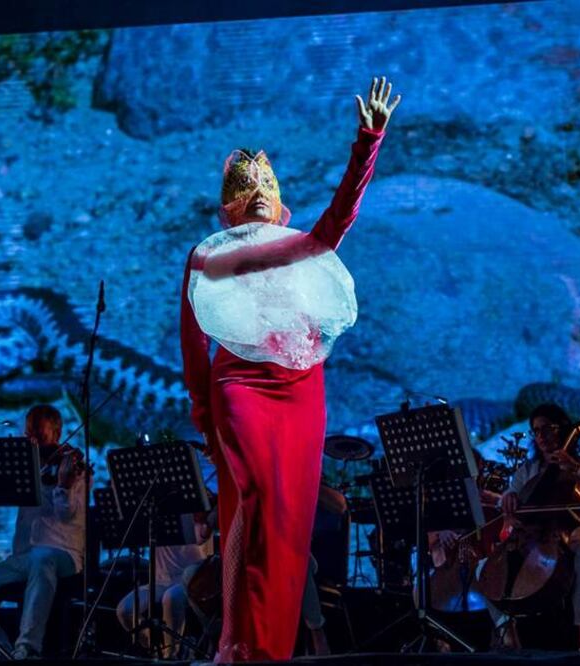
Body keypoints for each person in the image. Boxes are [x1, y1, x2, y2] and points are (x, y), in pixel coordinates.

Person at [180, 77, 400, 661]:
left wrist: (369, 138)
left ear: (277, 201)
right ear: (229, 206)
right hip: (240, 390)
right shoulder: (211, 256)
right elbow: (192, 341)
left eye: (265, 190)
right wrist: (205, 414)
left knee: (286, 523)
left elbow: (343, 212)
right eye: (245, 191)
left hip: (301, 394)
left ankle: (268, 647)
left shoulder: (302, 248)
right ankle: (236, 643)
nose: (257, 197)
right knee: (252, 501)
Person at [0, 404, 86, 660]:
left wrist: (64, 484)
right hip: (23, 557)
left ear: (57, 433)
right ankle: (1, 650)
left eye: (40, 437)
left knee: (43, 558)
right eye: (28, 436)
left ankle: (28, 650)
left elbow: (68, 515)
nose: (33, 442)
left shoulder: (73, 465)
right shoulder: (26, 464)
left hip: (63, 554)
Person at [491, 403, 580, 652]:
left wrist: (575, 468)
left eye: (547, 429)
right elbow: (510, 500)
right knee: (486, 570)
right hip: (535, 545)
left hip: (579, 542)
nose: (541, 436)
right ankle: (506, 630)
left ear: (562, 429)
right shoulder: (527, 470)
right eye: (536, 431)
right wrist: (507, 496)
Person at [116, 512, 215, 657]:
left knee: (171, 597)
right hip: (160, 581)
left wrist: (202, 519)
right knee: (125, 609)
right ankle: (155, 645)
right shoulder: (155, 508)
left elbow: (201, 538)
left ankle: (170, 655)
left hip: (191, 579)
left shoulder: (195, 505)